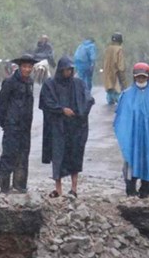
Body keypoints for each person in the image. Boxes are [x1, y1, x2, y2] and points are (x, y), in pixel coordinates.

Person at [39, 56, 95, 198]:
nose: (68, 73)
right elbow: (46, 102)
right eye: (65, 70)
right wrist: (61, 110)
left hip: (75, 127)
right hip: (57, 127)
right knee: (57, 157)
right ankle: (58, 189)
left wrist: (80, 112)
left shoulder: (78, 84)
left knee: (74, 157)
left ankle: (74, 189)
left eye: (70, 70)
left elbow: (88, 99)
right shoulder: (50, 85)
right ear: (60, 70)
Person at [114, 62, 149, 199]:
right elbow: (121, 117)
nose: (140, 79)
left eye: (143, 77)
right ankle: (131, 189)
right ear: (134, 77)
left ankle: (146, 189)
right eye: (138, 77)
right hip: (133, 137)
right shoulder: (126, 95)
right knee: (131, 160)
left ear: (148, 77)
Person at [0, 53, 37, 194]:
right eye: (25, 66)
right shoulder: (10, 82)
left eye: (30, 67)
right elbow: (1, 103)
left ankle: (20, 185)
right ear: (20, 67)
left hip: (25, 126)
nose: (27, 69)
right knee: (9, 154)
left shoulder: (30, 82)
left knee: (24, 154)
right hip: (12, 125)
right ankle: (4, 186)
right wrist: (4, 123)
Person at [102, 32, 127, 105]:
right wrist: (123, 77)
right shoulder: (119, 49)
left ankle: (110, 101)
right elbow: (120, 64)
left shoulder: (108, 48)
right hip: (115, 73)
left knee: (109, 89)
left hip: (107, 72)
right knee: (117, 90)